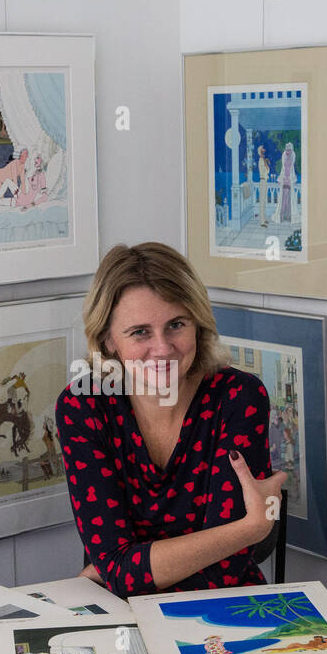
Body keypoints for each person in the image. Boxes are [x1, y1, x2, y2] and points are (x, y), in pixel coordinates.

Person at [56, 242, 286, 596]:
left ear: (197, 323)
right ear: (108, 339)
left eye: (176, 324)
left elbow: (226, 570)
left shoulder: (239, 397)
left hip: (224, 607)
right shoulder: (84, 406)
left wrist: (127, 570)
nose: (162, 348)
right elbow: (117, 567)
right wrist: (252, 527)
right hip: (122, 620)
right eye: (140, 332)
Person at [278, 143, 296, 223]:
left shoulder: (292, 159)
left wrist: (291, 179)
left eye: (289, 150)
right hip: (284, 179)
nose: (288, 152)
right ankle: (282, 216)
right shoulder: (284, 158)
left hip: (289, 180)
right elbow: (283, 169)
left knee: (289, 199)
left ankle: (288, 216)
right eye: (287, 150)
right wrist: (281, 178)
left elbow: (292, 170)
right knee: (283, 199)